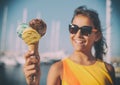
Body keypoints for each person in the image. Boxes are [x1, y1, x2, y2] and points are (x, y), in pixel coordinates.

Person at [23, 6, 116, 85]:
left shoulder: (108, 69)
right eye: (73, 28)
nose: (78, 35)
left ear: (97, 35)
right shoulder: (58, 69)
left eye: (85, 30)